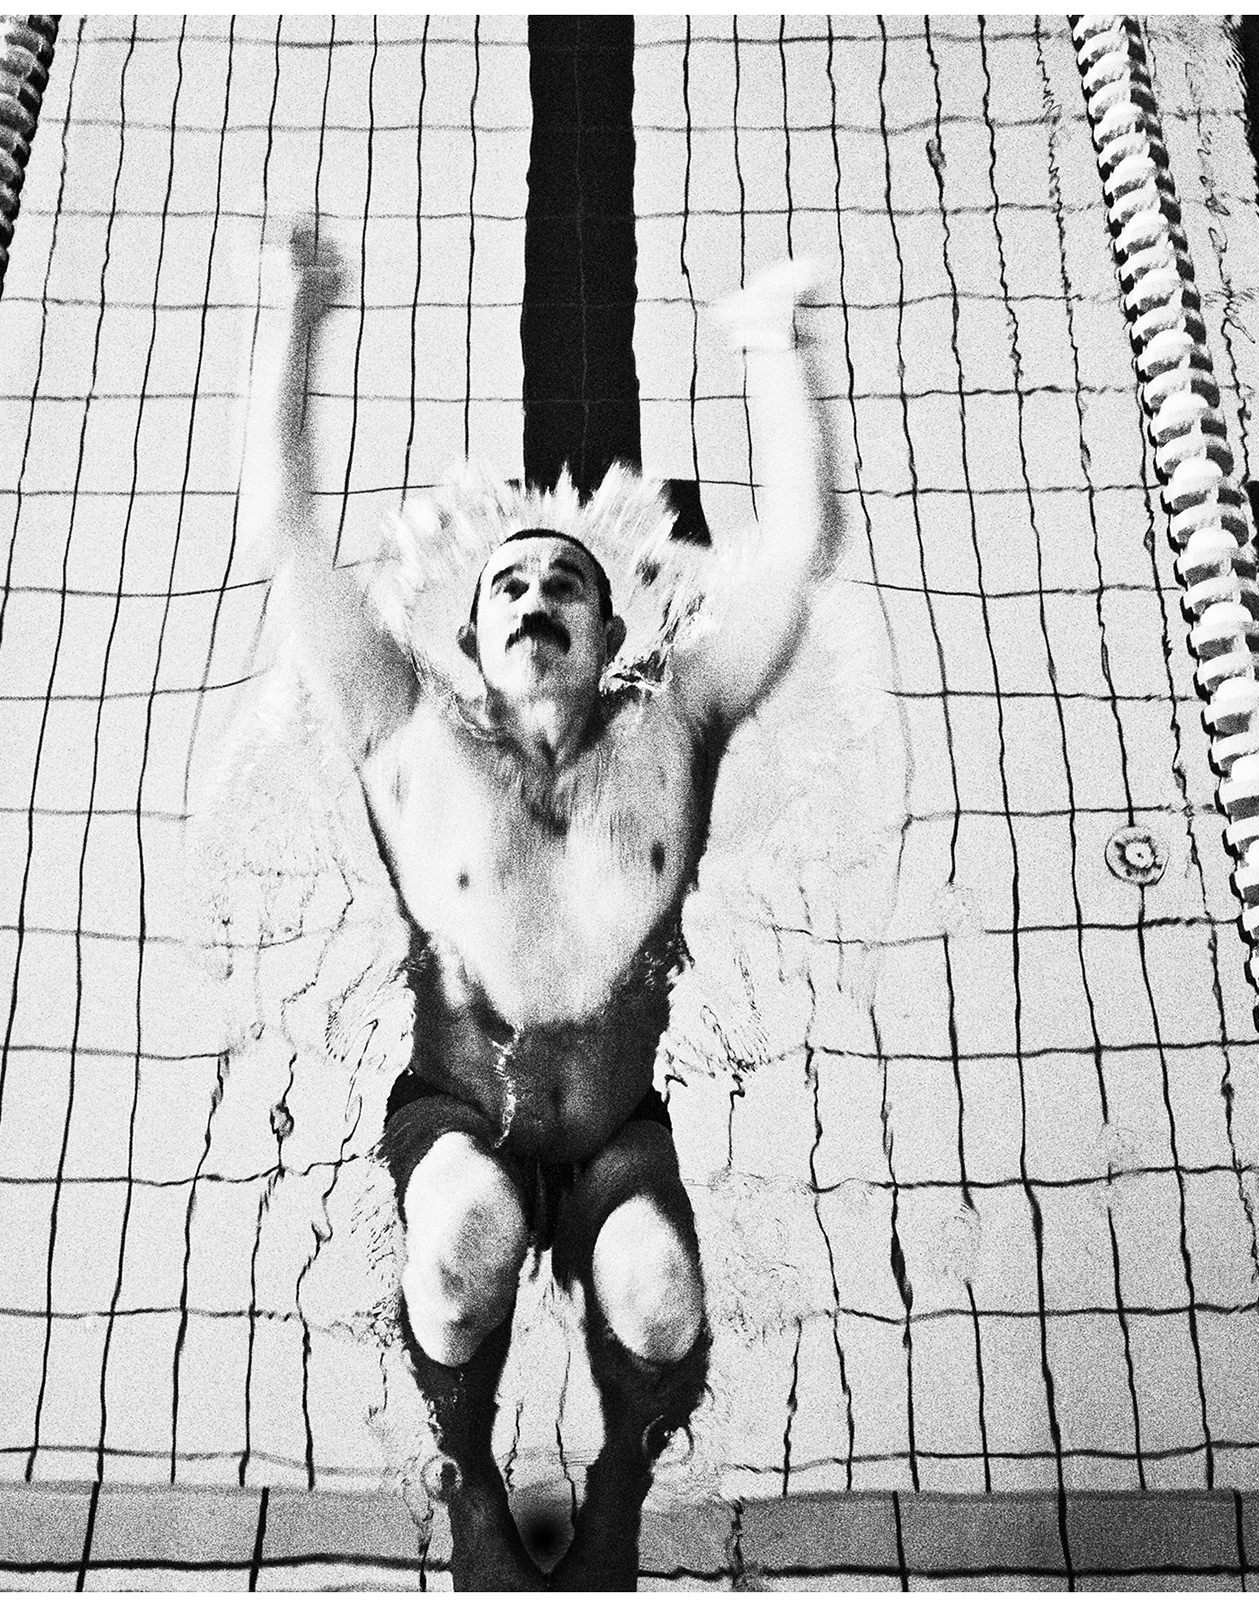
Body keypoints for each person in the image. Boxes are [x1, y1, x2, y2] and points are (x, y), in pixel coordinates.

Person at [239, 224, 842, 1590]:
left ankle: (619, 1489)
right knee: (459, 1249)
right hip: (462, 1111)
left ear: (613, 634)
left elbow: (799, 546)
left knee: (662, 1300)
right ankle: (466, 1481)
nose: (533, 596)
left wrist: (769, 344)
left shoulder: (676, 723)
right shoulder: (407, 736)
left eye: (566, 580)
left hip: (618, 1119)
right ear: (468, 635)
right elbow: (284, 535)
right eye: (508, 582)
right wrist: (299, 309)